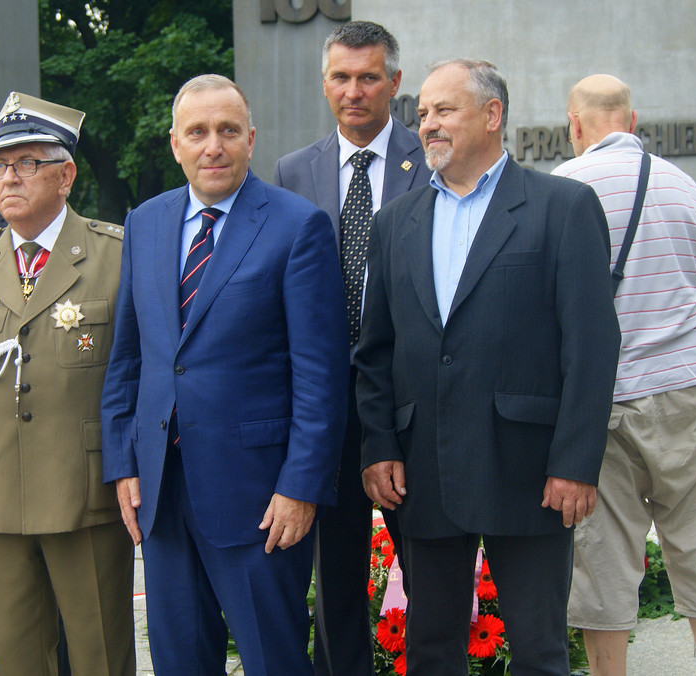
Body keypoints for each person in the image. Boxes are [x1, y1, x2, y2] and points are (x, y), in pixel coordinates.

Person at [355, 59, 620, 675]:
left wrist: (575, 464)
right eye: (421, 115)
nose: (427, 126)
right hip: (423, 472)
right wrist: (379, 445)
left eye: (444, 111)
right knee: (429, 650)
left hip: (529, 474)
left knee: (538, 651)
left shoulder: (563, 207)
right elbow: (375, 349)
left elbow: (591, 345)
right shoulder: (396, 221)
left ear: (492, 115)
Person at [101, 74, 349, 675]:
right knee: (180, 659)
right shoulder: (146, 223)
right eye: (198, 132)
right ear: (175, 145)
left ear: (251, 139)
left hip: (260, 498)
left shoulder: (297, 226)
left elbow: (321, 375)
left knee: (274, 658)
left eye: (227, 131)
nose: (213, 145)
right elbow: (128, 358)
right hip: (163, 491)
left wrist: (300, 487)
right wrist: (123, 462)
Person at [0, 91, 135, 676]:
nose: (8, 178)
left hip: (85, 490)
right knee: (15, 657)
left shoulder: (113, 254)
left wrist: (133, 471)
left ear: (66, 175)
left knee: (102, 653)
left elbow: (135, 379)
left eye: (27, 163)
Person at [554, 74, 696, 676]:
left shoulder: (560, 189)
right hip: (683, 388)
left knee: (601, 552)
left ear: (576, 125)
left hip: (597, 398)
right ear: (632, 122)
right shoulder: (681, 184)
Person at [271, 21, 427, 674]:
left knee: (429, 575)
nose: (354, 91)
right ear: (325, 84)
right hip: (326, 411)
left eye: (369, 77)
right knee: (335, 583)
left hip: (408, 406)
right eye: (341, 77)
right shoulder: (293, 169)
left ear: (394, 82)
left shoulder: (430, 159)